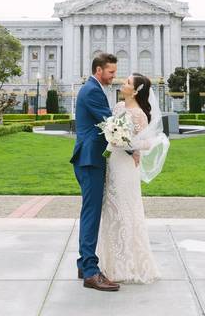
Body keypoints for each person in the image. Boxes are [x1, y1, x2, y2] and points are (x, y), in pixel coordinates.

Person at [97, 73, 169, 284]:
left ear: (136, 90)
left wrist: (127, 144)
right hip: (113, 164)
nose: (123, 83)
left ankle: (130, 265)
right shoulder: (118, 107)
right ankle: (111, 264)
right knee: (111, 211)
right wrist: (113, 136)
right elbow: (112, 131)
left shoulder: (140, 115)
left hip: (127, 168)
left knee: (127, 210)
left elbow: (146, 143)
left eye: (128, 82)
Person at [71, 53, 121, 292]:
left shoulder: (94, 88)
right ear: (99, 70)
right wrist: (132, 147)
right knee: (91, 213)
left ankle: (84, 263)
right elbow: (110, 123)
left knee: (91, 211)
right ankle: (91, 271)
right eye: (111, 72)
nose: (114, 76)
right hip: (90, 159)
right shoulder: (92, 90)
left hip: (90, 158)